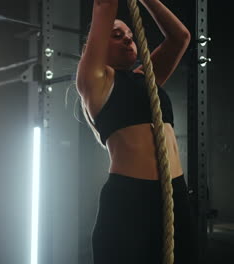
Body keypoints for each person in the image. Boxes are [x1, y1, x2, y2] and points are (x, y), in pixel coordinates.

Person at [76, 0, 196, 263]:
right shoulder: (95, 81)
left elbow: (180, 37)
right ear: (93, 48)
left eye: (131, 36)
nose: (128, 40)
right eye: (117, 35)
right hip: (130, 200)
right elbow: (104, 6)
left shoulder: (146, 79)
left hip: (175, 193)